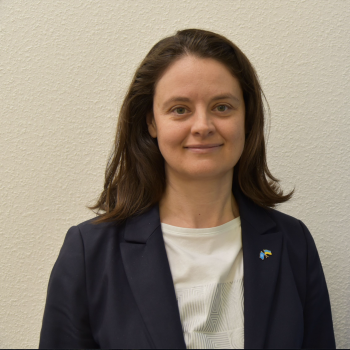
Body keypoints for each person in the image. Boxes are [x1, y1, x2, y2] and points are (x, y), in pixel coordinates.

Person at [39, 28, 336, 349]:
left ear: (247, 118)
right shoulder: (89, 254)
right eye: (180, 109)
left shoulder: (293, 245)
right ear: (151, 122)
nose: (202, 126)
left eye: (222, 107)